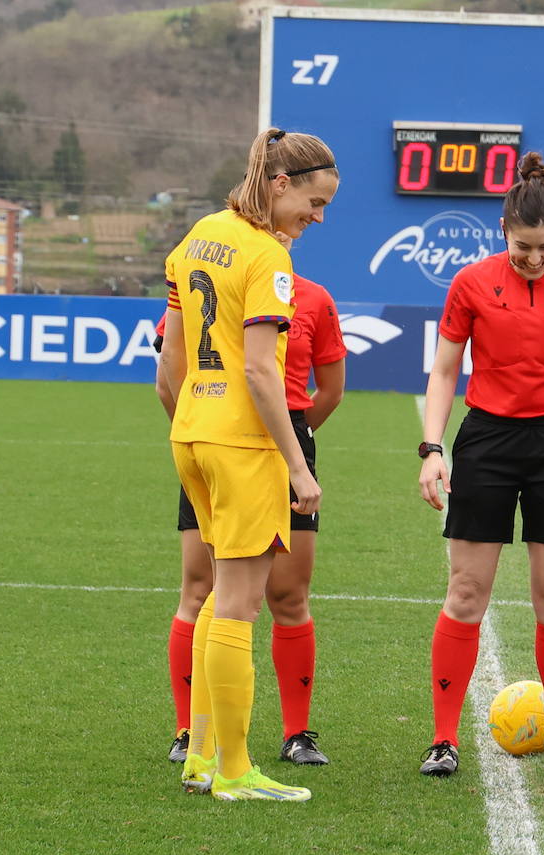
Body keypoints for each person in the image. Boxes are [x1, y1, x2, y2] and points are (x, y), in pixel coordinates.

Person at [417, 151, 544, 780]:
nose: (535, 258)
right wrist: (433, 447)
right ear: (503, 230)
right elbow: (446, 369)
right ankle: (443, 740)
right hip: (487, 443)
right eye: (524, 246)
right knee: (467, 590)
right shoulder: (472, 283)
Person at [160, 126, 337, 802]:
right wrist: (297, 466)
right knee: (238, 605)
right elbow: (264, 372)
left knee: (212, 597)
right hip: (243, 443)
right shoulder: (268, 257)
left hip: (194, 435)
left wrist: (192, 419)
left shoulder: (198, 235)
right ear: (280, 183)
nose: (315, 219)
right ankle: (235, 769)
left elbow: (166, 368)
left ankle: (201, 756)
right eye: (313, 204)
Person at [266, 251, 347, 766]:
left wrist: (295, 437)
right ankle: (190, 730)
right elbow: (172, 369)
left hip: (292, 440)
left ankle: (297, 733)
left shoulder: (314, 298)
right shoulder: (220, 279)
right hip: (222, 440)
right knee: (204, 590)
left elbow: (331, 390)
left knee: (289, 594)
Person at [152, 311, 213, 765]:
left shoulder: (302, 295)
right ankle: (192, 728)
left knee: (217, 593)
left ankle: (198, 732)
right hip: (230, 447)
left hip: (213, 445)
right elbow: (165, 375)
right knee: (208, 592)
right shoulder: (194, 283)